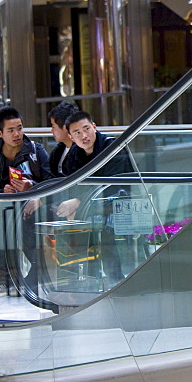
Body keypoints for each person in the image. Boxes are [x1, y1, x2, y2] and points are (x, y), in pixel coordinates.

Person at [58, 111, 135, 282]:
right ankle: (85, 279)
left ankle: (115, 280)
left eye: (86, 129)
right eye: (77, 132)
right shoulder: (73, 155)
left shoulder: (113, 147)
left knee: (100, 227)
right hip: (91, 208)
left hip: (118, 206)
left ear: (94, 127)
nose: (84, 136)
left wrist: (78, 201)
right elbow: (71, 186)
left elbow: (114, 187)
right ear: (70, 136)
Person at [0, 106, 51, 294]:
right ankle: (4, 279)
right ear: (0, 133)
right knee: (0, 219)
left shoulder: (36, 151)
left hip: (31, 204)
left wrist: (32, 187)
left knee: (14, 221)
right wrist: (2, 190)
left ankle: (34, 272)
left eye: (20, 128)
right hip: (6, 206)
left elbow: (51, 182)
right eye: (11, 130)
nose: (17, 134)